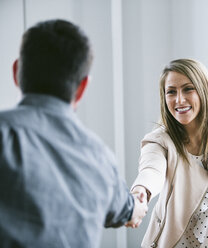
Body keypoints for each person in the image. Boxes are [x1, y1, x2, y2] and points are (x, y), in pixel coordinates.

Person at [0, 19, 147, 248]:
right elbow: (130, 210)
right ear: (82, 87)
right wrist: (139, 203)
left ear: (17, 71)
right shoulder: (99, 158)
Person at [130, 58, 208, 248]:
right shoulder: (159, 140)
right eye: (171, 92)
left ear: (204, 90)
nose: (179, 100)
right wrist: (140, 193)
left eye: (188, 89)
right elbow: (151, 171)